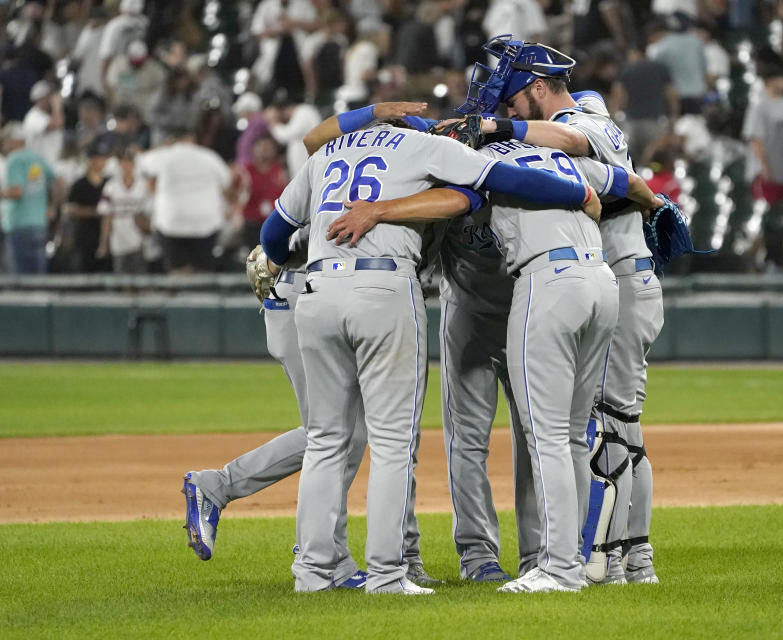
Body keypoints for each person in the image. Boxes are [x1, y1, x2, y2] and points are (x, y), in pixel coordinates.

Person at [258, 107, 602, 594]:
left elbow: (273, 234)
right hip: (383, 288)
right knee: (394, 443)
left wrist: (299, 253)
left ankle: (312, 572)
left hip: (316, 294)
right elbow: (508, 180)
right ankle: (387, 574)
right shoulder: (422, 146)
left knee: (325, 441)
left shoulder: (327, 153)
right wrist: (579, 192)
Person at [473, 35, 667, 586]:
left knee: (604, 428)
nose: (508, 108)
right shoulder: (558, 134)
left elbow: (568, 140)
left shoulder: (590, 117)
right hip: (616, 275)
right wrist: (652, 203)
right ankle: (628, 558)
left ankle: (601, 558)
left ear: (538, 87)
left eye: (514, 98)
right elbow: (630, 184)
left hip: (614, 277)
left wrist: (495, 131)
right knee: (615, 427)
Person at [138, 129, 231, 273]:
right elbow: (227, 180)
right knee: (203, 270)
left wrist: (163, 146)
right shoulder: (209, 156)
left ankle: (179, 291)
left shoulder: (164, 155)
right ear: (192, 139)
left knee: (177, 270)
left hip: (172, 222)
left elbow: (140, 161)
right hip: (205, 222)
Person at [0, 122, 58, 274]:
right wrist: (52, 206)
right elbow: (58, 183)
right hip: (39, 225)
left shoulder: (14, 159)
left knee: (20, 279)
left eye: (4, 140)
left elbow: (16, 192)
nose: (3, 144)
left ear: (14, 140)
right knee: (38, 275)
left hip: (19, 225)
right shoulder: (37, 159)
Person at [743, 62, 783, 206]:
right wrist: (764, 167)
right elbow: (756, 139)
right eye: (781, 78)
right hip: (766, 172)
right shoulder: (759, 104)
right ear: (770, 80)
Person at [96, 147, 151, 273]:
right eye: (123, 163)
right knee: (121, 276)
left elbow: (150, 212)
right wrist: (104, 242)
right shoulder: (111, 186)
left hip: (140, 238)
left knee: (141, 276)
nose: (126, 166)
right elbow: (106, 215)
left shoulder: (144, 185)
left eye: (129, 163)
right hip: (118, 238)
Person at [61, 139, 110, 273]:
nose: (99, 162)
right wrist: (94, 211)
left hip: (106, 236)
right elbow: (69, 209)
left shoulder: (110, 182)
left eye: (102, 158)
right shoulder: (80, 184)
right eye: (96, 158)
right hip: (84, 237)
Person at [236, 135, 288, 251]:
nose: (265, 150)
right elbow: (234, 197)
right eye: (262, 146)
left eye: (269, 147)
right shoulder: (244, 171)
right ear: (254, 149)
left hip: (273, 223)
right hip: (251, 223)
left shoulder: (280, 172)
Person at [22, 80, 64, 167]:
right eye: (48, 97)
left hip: (50, 165)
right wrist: (57, 107)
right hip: (38, 168)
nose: (51, 100)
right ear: (40, 99)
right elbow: (56, 124)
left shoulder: (49, 116)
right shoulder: (33, 116)